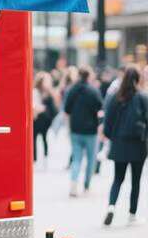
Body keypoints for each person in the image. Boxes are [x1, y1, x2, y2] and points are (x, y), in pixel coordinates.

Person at [103, 65, 148, 226]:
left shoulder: (116, 97)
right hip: (138, 145)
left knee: (117, 179)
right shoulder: (143, 97)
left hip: (119, 145)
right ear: (137, 79)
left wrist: (111, 137)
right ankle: (132, 214)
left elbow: (107, 123)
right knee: (136, 181)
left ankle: (111, 207)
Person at [63, 66, 102, 197]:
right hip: (91, 131)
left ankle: (73, 185)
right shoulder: (93, 90)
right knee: (91, 159)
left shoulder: (72, 90)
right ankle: (86, 185)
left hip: (76, 129)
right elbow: (100, 108)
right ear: (89, 75)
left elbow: (67, 109)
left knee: (77, 159)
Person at [32, 72, 57, 163]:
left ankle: (45, 156)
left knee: (44, 137)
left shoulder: (49, 93)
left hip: (45, 119)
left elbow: (54, 108)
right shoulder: (36, 91)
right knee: (34, 138)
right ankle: (34, 158)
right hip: (37, 118)